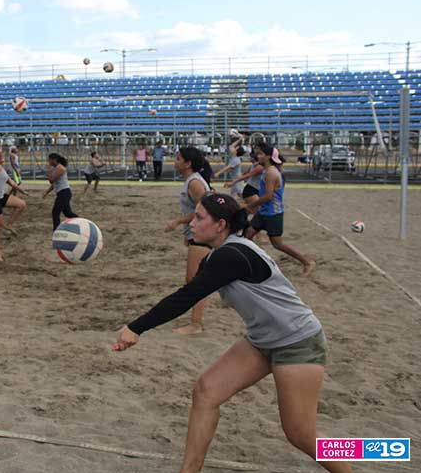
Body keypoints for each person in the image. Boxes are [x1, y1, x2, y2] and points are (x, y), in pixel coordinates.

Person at [113, 193, 350, 473]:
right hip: (262, 340)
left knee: (300, 434)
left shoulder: (231, 255)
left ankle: (373, 453)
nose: (192, 222)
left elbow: (185, 297)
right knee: (206, 391)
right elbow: (193, 288)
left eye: (199, 218)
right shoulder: (220, 253)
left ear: (220, 225)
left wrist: (136, 327)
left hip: (297, 342)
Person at [244, 143, 316, 276]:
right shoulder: (267, 170)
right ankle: (252, 265)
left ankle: (306, 262)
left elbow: (267, 196)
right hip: (264, 212)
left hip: (273, 213)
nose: (257, 156)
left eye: (260, 154)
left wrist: (250, 206)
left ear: (268, 157)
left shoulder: (271, 172)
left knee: (277, 244)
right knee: (247, 236)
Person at [164, 147, 212, 335]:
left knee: (195, 283)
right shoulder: (192, 181)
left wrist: (178, 221)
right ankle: (194, 321)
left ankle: (196, 324)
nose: (175, 162)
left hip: (203, 235)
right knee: (193, 281)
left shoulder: (194, 183)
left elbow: (206, 210)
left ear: (188, 163)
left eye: (178, 158)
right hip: (197, 235)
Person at [43, 153, 79, 231]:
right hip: (63, 193)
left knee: (55, 212)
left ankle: (56, 230)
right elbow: (54, 184)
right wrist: (47, 192)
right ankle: (80, 221)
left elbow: (51, 180)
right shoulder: (56, 168)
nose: (48, 162)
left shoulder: (60, 168)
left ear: (54, 160)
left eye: (49, 160)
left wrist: (49, 170)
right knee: (68, 213)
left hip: (64, 193)